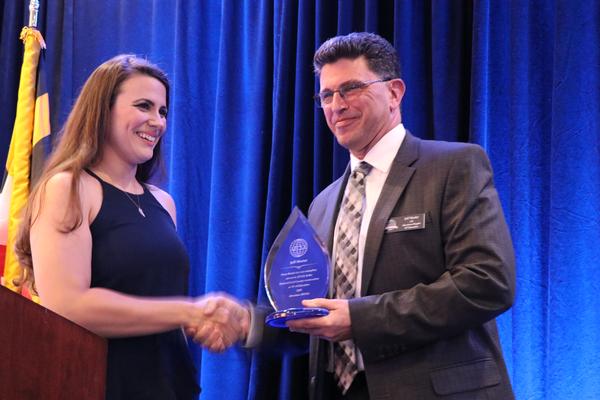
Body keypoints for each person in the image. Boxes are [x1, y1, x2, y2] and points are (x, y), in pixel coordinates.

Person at [239, 32, 516, 399]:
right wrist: (251, 324)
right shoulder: (323, 203)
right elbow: (322, 317)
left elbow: (488, 283)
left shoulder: (454, 166)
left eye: (351, 88)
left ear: (395, 92)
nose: (336, 105)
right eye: (326, 95)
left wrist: (359, 318)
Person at [14, 55, 250, 400]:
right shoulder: (68, 188)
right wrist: (190, 311)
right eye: (144, 106)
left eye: (163, 111)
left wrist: (210, 323)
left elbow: (156, 300)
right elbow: (67, 305)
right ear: (102, 111)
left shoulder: (163, 203)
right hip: (97, 385)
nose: (157, 122)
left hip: (170, 384)